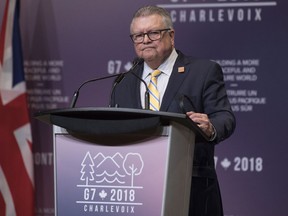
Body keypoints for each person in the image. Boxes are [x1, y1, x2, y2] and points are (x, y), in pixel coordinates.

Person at [113, 5, 236, 216]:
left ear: (171, 35)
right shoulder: (123, 82)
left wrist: (210, 127)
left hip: (190, 189)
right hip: (136, 189)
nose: (145, 40)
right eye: (138, 36)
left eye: (153, 32)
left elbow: (225, 116)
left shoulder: (203, 71)